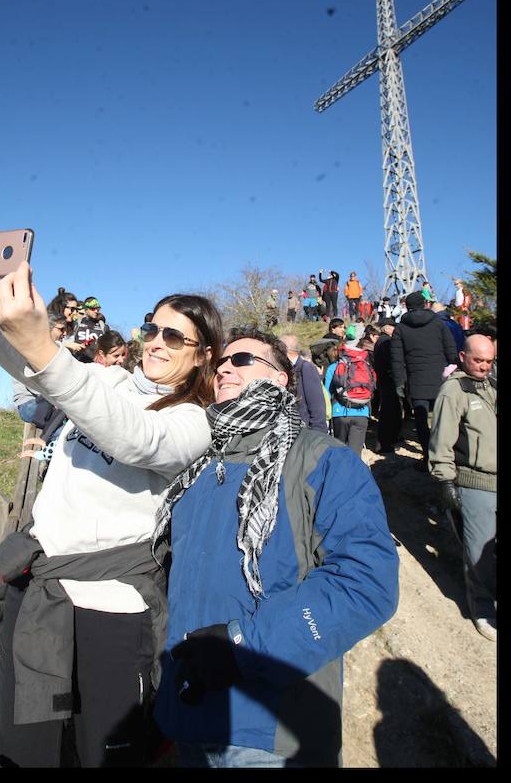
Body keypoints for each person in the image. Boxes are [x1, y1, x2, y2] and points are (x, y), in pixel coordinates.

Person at [0, 232, 224, 768]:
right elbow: (35, 369)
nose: (156, 341)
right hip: (40, 594)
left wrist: (46, 347)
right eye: (151, 327)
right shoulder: (106, 381)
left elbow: (134, 439)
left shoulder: (195, 422)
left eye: (174, 335)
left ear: (204, 355)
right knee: (27, 749)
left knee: (105, 754)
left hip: (113, 614)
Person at [150, 328, 399, 768]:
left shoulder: (323, 459)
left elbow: (366, 584)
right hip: (188, 717)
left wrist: (245, 643)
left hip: (274, 730)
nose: (224, 367)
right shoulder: (194, 469)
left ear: (280, 378)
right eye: (220, 363)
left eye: (243, 360)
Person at [428, 335, 496, 641]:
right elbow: (441, 439)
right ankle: (482, 609)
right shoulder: (454, 390)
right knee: (478, 551)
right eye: (478, 360)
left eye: (489, 361)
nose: (483, 367)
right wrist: (444, 480)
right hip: (474, 481)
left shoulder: (493, 386)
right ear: (463, 356)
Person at [390, 291, 458, 467]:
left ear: (407, 306)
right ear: (425, 304)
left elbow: (397, 359)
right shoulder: (437, 323)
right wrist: (454, 365)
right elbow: (450, 348)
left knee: (421, 421)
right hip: (440, 379)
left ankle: (428, 457)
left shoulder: (401, 328)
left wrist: (399, 383)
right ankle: (446, 456)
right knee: (443, 418)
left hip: (416, 379)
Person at [324, 329, 375, 458]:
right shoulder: (364, 364)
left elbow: (327, 394)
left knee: (339, 452)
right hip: (362, 412)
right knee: (355, 454)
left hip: (340, 413)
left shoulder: (333, 367)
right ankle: (354, 476)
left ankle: (339, 476)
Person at [280, 334, 328, 433]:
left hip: (305, 433)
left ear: (284, 350)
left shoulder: (306, 368)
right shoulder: (286, 370)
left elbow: (317, 406)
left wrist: (318, 435)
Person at [373, 319, 402, 454]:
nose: (394, 329)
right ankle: (384, 443)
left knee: (392, 410)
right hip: (387, 380)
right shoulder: (385, 342)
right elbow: (390, 361)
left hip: (385, 379)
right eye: (392, 326)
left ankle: (392, 438)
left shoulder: (382, 341)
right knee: (388, 412)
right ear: (385, 328)